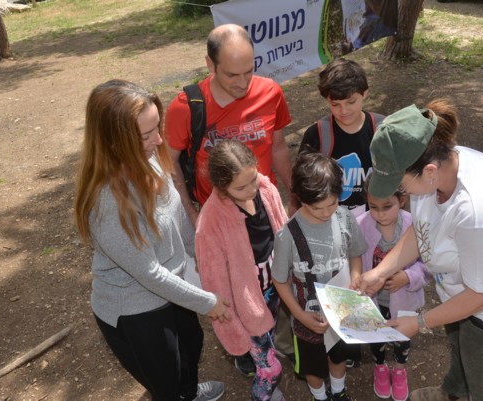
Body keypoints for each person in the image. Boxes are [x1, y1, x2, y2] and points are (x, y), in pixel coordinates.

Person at [361, 99, 483, 401]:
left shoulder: (479, 213)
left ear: (429, 171)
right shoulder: (435, 172)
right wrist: (381, 272)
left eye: (402, 187)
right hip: (461, 298)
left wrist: (419, 322)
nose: (403, 194)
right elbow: (422, 228)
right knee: (462, 353)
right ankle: (453, 393)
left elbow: (482, 295)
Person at [73, 79, 231, 401]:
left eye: (157, 127)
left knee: (191, 345)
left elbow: (176, 215)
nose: (159, 139)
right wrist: (208, 302)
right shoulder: (108, 202)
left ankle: (190, 392)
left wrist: (201, 258)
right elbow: (148, 273)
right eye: (146, 134)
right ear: (114, 140)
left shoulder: (150, 158)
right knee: (166, 379)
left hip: (173, 285)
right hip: (136, 307)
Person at [165, 23, 293, 223]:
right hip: (218, 218)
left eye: (249, 71)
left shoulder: (271, 93)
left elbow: (278, 148)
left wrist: (294, 194)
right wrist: (191, 213)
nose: (243, 83)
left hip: (266, 210)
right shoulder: (185, 108)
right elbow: (169, 162)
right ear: (210, 64)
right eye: (232, 75)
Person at [195, 140, 288, 401]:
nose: (251, 189)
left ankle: (259, 363)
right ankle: (263, 395)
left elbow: (282, 227)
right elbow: (214, 282)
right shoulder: (210, 223)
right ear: (221, 187)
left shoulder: (265, 188)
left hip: (274, 289)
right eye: (241, 187)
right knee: (271, 368)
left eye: (252, 179)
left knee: (269, 339)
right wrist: (230, 322)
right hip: (246, 305)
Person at [272, 152, 368, 401]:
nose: (326, 212)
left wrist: (356, 277)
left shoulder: (345, 217)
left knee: (339, 356)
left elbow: (356, 253)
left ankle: (338, 391)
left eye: (332, 203)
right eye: (317, 207)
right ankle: (319, 396)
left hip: (341, 312)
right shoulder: (287, 236)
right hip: (307, 318)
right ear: (300, 198)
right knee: (312, 367)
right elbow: (279, 280)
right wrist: (299, 314)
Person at [357, 175, 430, 401]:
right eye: (373, 207)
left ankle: (399, 369)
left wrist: (407, 277)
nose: (379, 214)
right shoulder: (361, 224)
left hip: (404, 299)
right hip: (374, 301)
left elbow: (428, 264)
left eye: (387, 206)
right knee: (376, 334)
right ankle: (380, 366)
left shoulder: (414, 225)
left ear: (402, 200)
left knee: (402, 336)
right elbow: (355, 260)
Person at [299, 58, 385, 218]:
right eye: (335, 104)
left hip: (375, 220)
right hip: (331, 220)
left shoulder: (383, 129)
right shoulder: (317, 134)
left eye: (350, 102)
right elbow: (304, 186)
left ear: (365, 93)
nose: (343, 111)